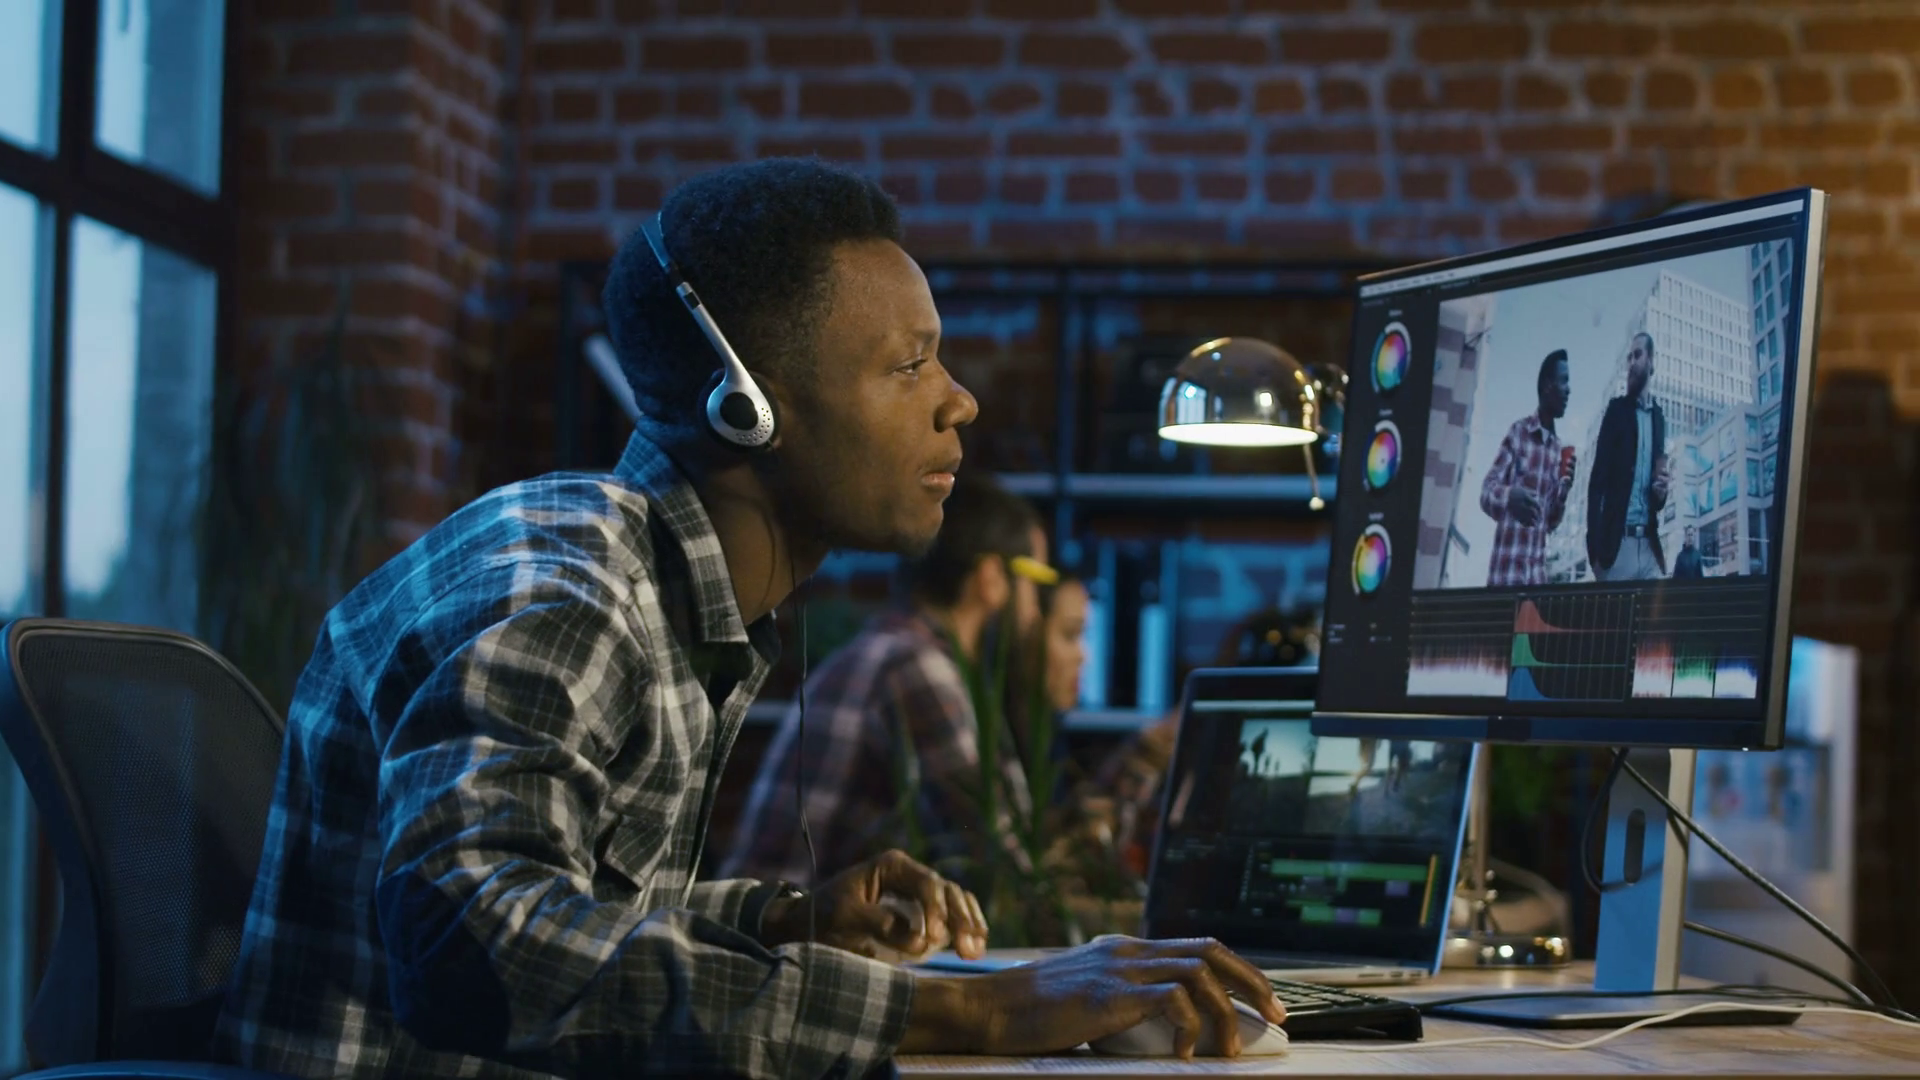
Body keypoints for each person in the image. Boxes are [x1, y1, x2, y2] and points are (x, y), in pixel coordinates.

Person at [215, 160, 1283, 1080]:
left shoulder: (670, 593)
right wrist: (970, 1007)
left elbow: (572, 910)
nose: (959, 401)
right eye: (908, 364)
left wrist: (779, 921)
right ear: (747, 403)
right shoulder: (566, 589)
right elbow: (469, 944)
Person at [720, 474, 1054, 887]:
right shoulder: (917, 666)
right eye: (1037, 582)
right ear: (990, 578)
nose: (1038, 611)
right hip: (785, 946)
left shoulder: (898, 648)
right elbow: (1005, 870)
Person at [1480, 349, 1575, 586]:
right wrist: (1510, 496)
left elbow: (1550, 522)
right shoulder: (1519, 433)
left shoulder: (1557, 449)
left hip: (1535, 587)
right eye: (1563, 381)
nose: (1569, 389)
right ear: (1546, 385)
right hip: (1505, 582)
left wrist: (1564, 491)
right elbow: (1486, 492)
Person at [1587, 331, 1671, 581]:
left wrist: (1661, 493)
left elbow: (1656, 500)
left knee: (1659, 618)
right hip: (1616, 550)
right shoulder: (1616, 411)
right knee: (1613, 621)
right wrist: (1595, 554)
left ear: (1651, 360)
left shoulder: (1659, 418)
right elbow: (1596, 485)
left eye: (1637, 355)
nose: (1631, 363)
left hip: (1649, 549)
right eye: (1629, 357)